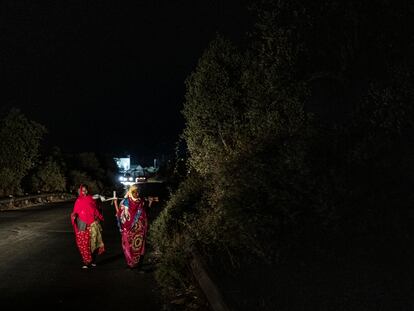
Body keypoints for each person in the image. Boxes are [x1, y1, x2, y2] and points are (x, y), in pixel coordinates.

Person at [114, 183, 158, 269]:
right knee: (127, 246)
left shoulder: (141, 202)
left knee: (139, 246)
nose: (137, 194)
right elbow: (119, 214)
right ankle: (130, 263)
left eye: (138, 192)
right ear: (130, 192)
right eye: (134, 192)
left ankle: (137, 264)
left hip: (140, 229)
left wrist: (150, 203)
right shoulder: (125, 202)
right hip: (128, 229)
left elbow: (146, 212)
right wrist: (116, 203)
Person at [71, 184, 105, 269]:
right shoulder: (78, 200)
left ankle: (93, 260)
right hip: (82, 225)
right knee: (84, 244)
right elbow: (75, 211)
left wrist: (99, 217)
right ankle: (86, 262)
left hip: (93, 224)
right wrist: (74, 216)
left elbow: (96, 209)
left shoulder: (91, 199)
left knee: (93, 243)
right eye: (83, 190)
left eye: (86, 190)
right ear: (80, 191)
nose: (84, 192)